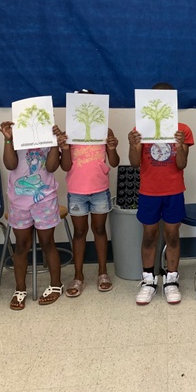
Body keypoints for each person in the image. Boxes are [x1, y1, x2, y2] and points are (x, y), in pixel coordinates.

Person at [128, 83, 194, 305]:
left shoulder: (182, 129)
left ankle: (171, 279)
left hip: (174, 191)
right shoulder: (141, 128)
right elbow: (135, 163)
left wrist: (181, 145)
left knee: (172, 234)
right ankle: (148, 280)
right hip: (149, 192)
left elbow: (181, 164)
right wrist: (133, 144)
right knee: (149, 235)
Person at [60, 90, 120, 297]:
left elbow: (114, 162)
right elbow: (65, 166)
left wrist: (112, 147)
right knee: (79, 233)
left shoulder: (105, 130)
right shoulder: (70, 133)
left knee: (100, 230)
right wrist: (66, 149)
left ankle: (103, 272)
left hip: (99, 190)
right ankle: (78, 276)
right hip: (76, 191)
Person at [0, 121, 66, 309]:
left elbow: (52, 167)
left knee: (48, 243)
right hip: (19, 201)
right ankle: (20, 288)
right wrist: (7, 140)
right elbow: (10, 164)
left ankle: (56, 285)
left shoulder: (47, 137)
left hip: (44, 199)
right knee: (21, 245)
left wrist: (53, 141)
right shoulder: (16, 136)